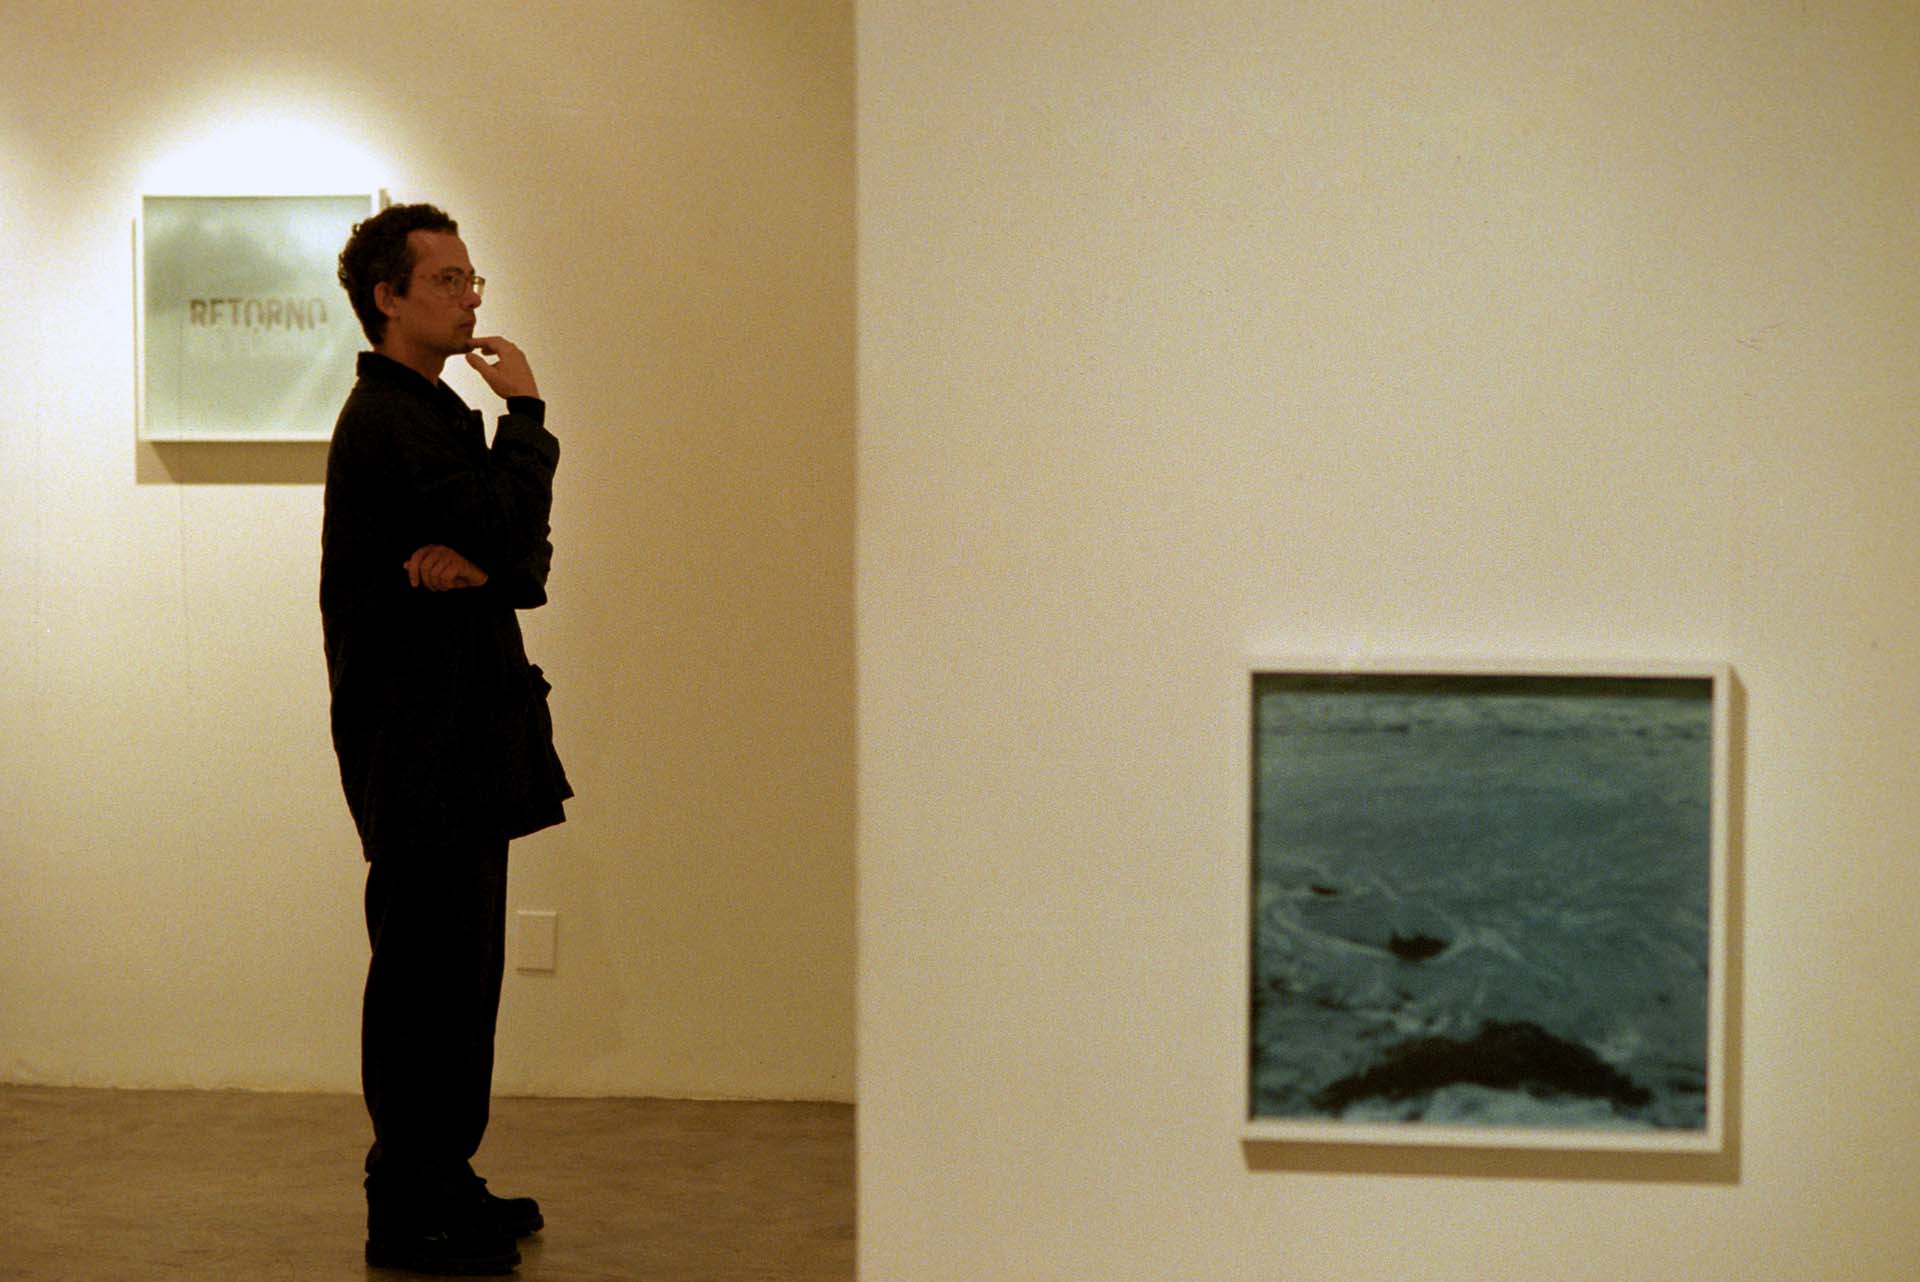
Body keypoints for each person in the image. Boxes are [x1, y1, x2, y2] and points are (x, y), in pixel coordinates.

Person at [321, 202, 572, 1276]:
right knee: (425, 975)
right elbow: (511, 534)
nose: (470, 297)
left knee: (461, 973)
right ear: (388, 297)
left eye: (473, 279)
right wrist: (528, 414)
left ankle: (441, 1175)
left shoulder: (430, 413)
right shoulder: (390, 420)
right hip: (417, 741)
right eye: (446, 280)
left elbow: (521, 565)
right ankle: (407, 1204)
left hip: (458, 736)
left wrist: (488, 563)